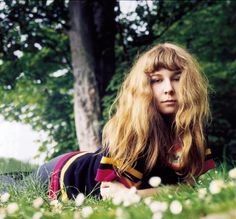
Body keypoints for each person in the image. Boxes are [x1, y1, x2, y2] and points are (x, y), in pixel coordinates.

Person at [0, 43, 215, 201]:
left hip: (89, 159)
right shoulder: (132, 133)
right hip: (63, 173)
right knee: (10, 188)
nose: (168, 88)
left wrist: (144, 194)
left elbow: (189, 186)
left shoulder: (190, 133)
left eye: (176, 78)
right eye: (156, 80)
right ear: (144, 87)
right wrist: (160, 192)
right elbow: (114, 195)